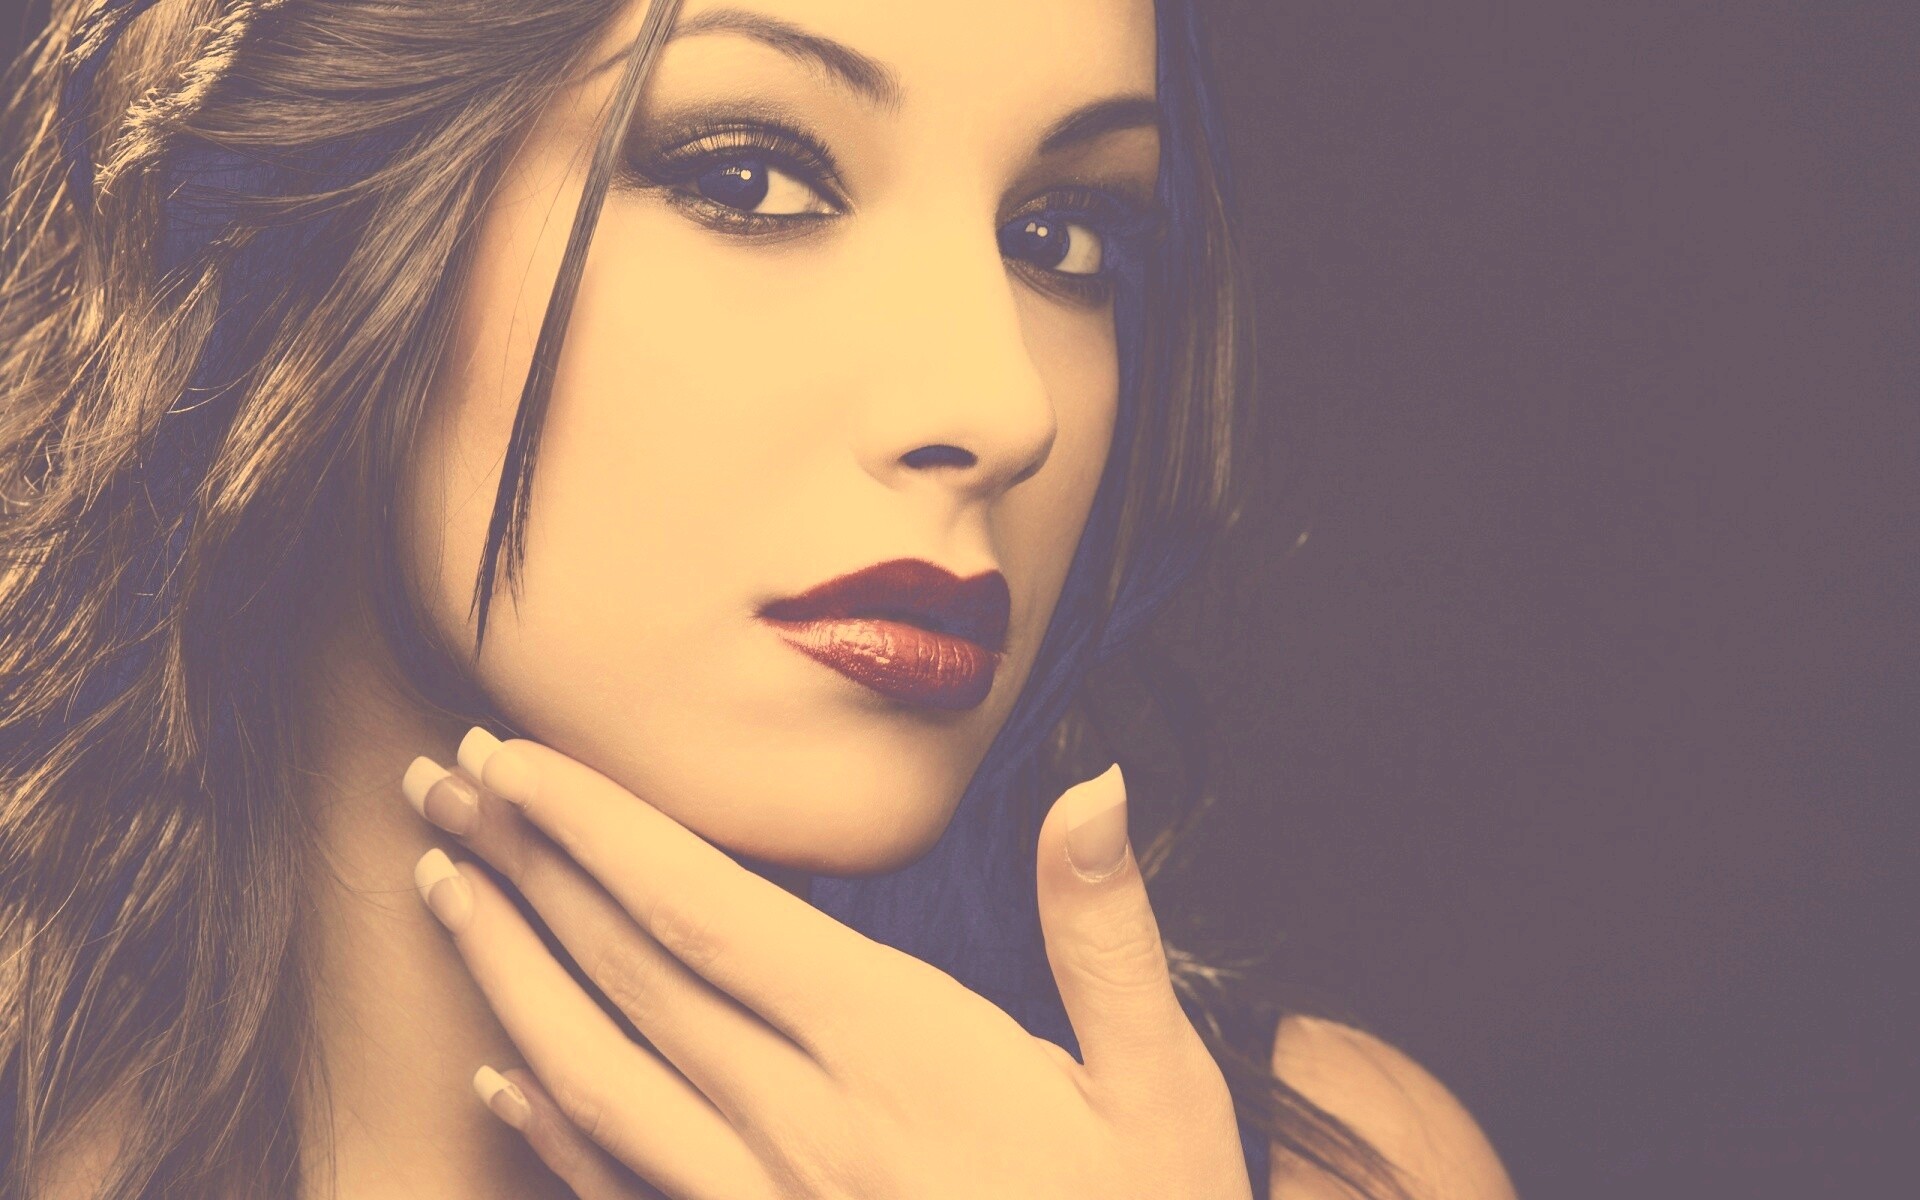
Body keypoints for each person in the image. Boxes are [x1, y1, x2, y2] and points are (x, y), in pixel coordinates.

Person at [0, 1, 1517, 1196]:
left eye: (1061, 235)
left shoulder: (1330, 1173)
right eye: (752, 178)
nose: (1004, 407)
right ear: (335, 214)